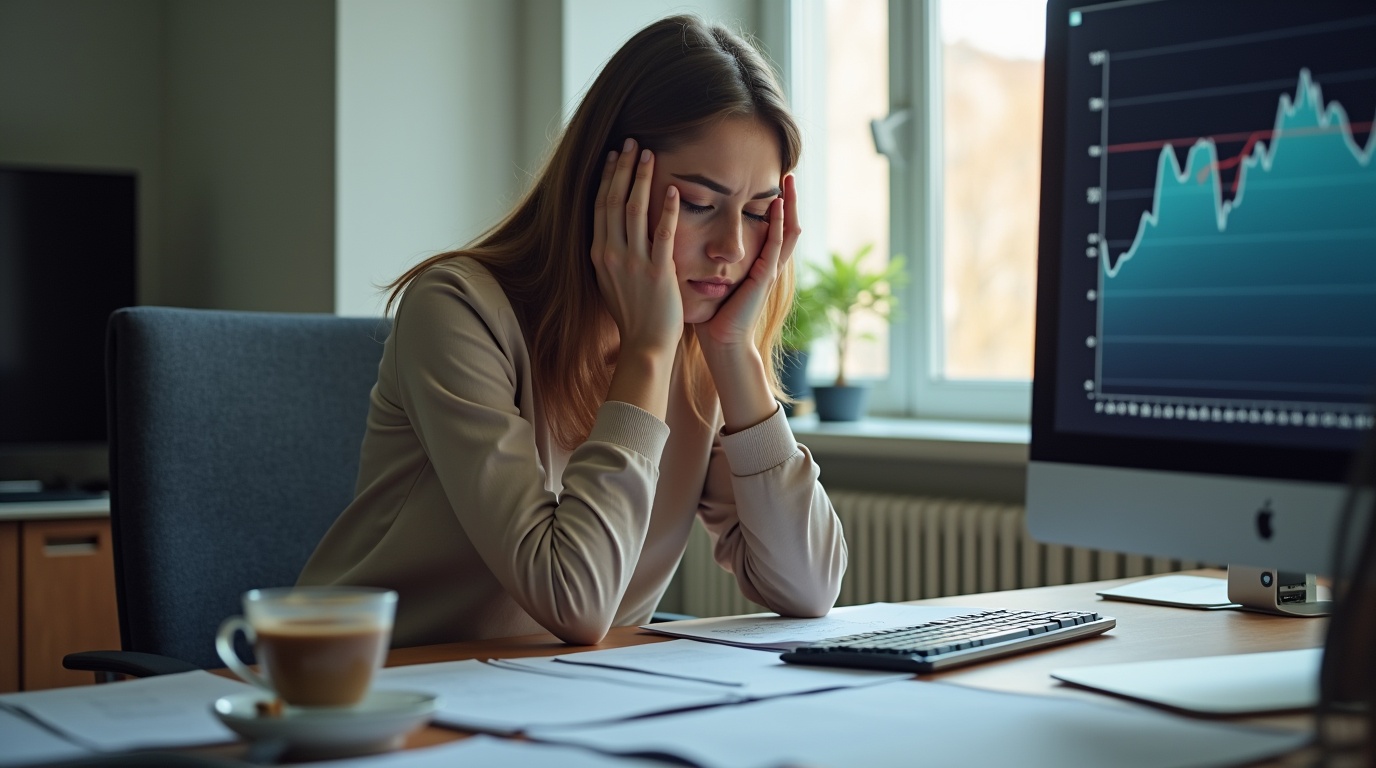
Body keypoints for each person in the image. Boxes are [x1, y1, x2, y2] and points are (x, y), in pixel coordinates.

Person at [298, 14, 847, 647]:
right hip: (375, 691)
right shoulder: (456, 310)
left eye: (757, 213)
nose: (732, 247)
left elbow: (808, 588)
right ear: (606, 184)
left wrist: (736, 354)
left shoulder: (700, 345)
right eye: (698, 204)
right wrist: (645, 350)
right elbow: (574, 598)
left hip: (564, 705)